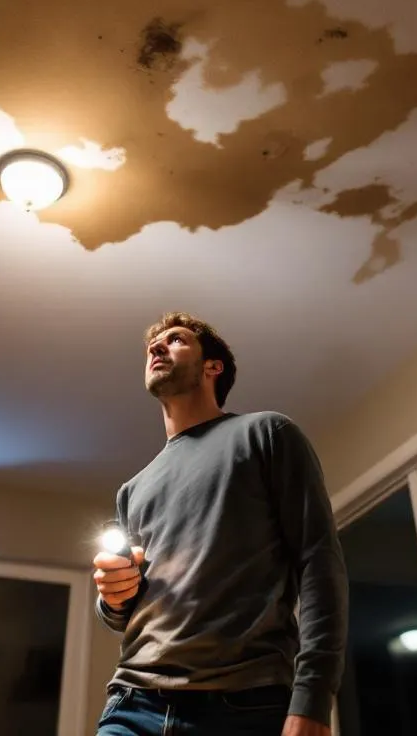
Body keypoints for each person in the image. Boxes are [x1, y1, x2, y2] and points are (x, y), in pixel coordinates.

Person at [92, 312, 348, 736]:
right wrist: (113, 599)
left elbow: (319, 563)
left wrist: (314, 697)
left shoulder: (267, 434)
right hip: (131, 706)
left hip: (244, 707)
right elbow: (129, 609)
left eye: (175, 340)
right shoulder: (131, 490)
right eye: (152, 346)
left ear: (214, 366)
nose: (156, 348)